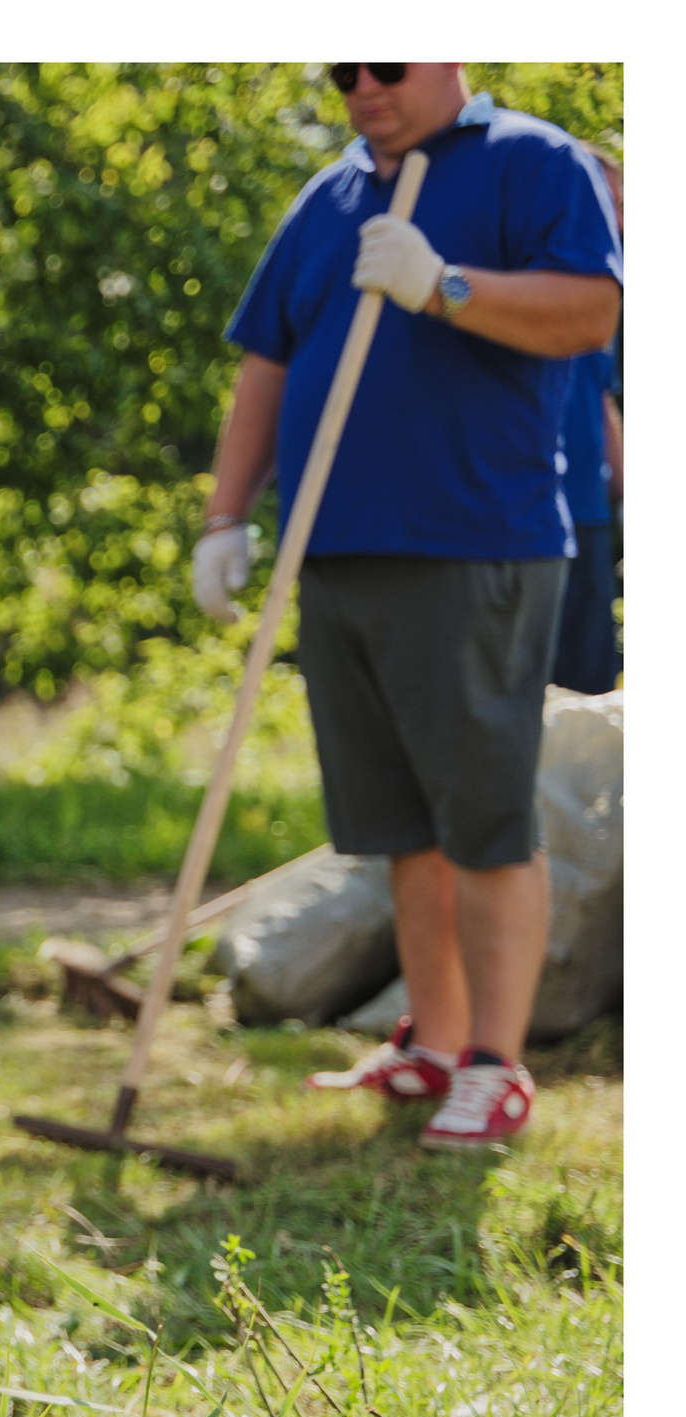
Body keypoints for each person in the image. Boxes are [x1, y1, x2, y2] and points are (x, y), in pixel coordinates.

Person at [191, 63, 621, 1149]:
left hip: (473, 545)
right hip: (335, 549)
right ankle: (431, 1041)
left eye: (386, 64)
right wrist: (225, 515)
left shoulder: (534, 161)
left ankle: (495, 1063)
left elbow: (588, 312)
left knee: (481, 822)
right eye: (343, 71)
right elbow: (265, 362)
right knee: (396, 828)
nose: (363, 88)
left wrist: (445, 286)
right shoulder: (329, 195)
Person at [552, 142, 623, 694]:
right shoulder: (530, 277)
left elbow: (600, 401)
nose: (619, 217)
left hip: (589, 512)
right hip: (522, 516)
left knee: (591, 687)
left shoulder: (608, 295)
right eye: (606, 201)